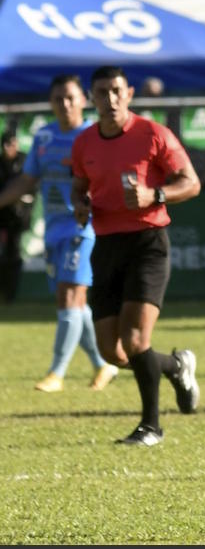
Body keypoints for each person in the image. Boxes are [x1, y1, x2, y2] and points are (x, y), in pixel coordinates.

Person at [70, 65, 202, 446]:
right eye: (101, 92)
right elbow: (79, 188)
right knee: (113, 353)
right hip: (106, 245)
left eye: (116, 91)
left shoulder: (153, 134)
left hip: (148, 242)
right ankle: (176, 366)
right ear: (90, 98)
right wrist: (80, 205)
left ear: (128, 93)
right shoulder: (85, 143)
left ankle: (151, 427)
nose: (109, 99)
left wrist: (154, 195)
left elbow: (190, 182)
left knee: (134, 339)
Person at [0, 76, 118, 391]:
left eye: (70, 98)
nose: (64, 104)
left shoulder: (94, 136)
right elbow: (27, 181)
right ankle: (101, 365)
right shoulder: (44, 138)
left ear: (83, 100)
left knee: (69, 295)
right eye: (57, 99)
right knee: (73, 303)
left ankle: (57, 373)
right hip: (53, 229)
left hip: (84, 227)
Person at [0, 131, 30, 302]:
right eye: (5, 144)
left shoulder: (25, 161)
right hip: (2, 218)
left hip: (18, 219)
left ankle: (11, 294)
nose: (8, 148)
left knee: (14, 256)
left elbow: (30, 186)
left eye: (11, 143)